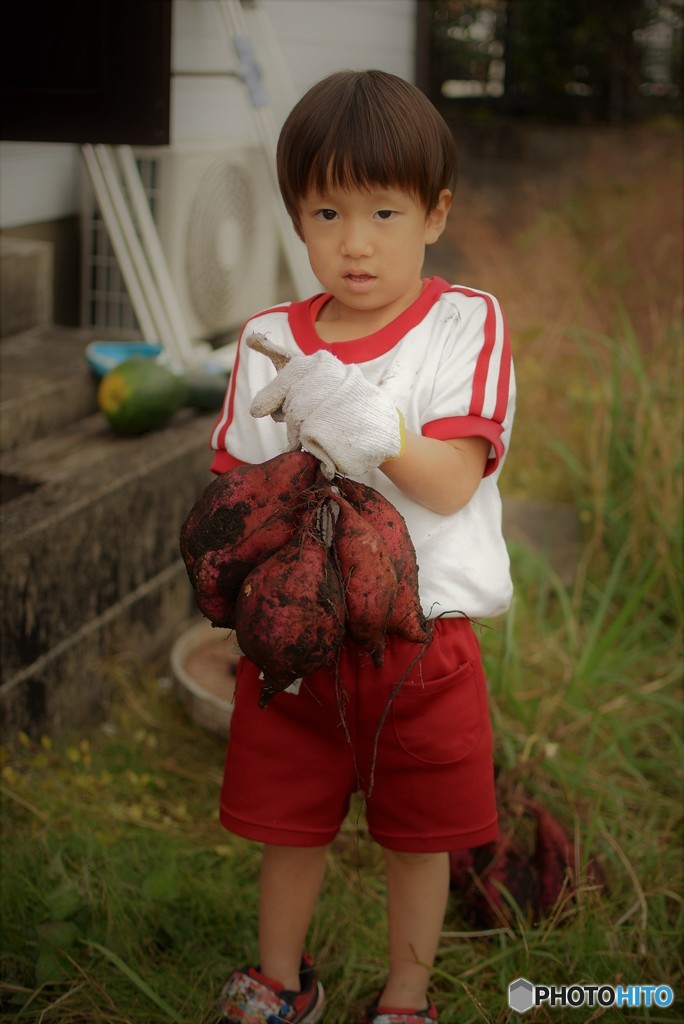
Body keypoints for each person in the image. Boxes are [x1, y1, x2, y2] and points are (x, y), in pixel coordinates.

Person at [208, 69, 515, 1024]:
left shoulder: (466, 324)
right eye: (327, 210)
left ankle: (407, 995)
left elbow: (453, 481)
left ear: (434, 214)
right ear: (296, 216)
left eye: (385, 210)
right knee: (288, 825)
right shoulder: (267, 342)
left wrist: (359, 416)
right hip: (299, 641)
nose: (354, 242)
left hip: (420, 641)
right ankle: (279, 981)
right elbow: (237, 501)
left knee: (417, 835)